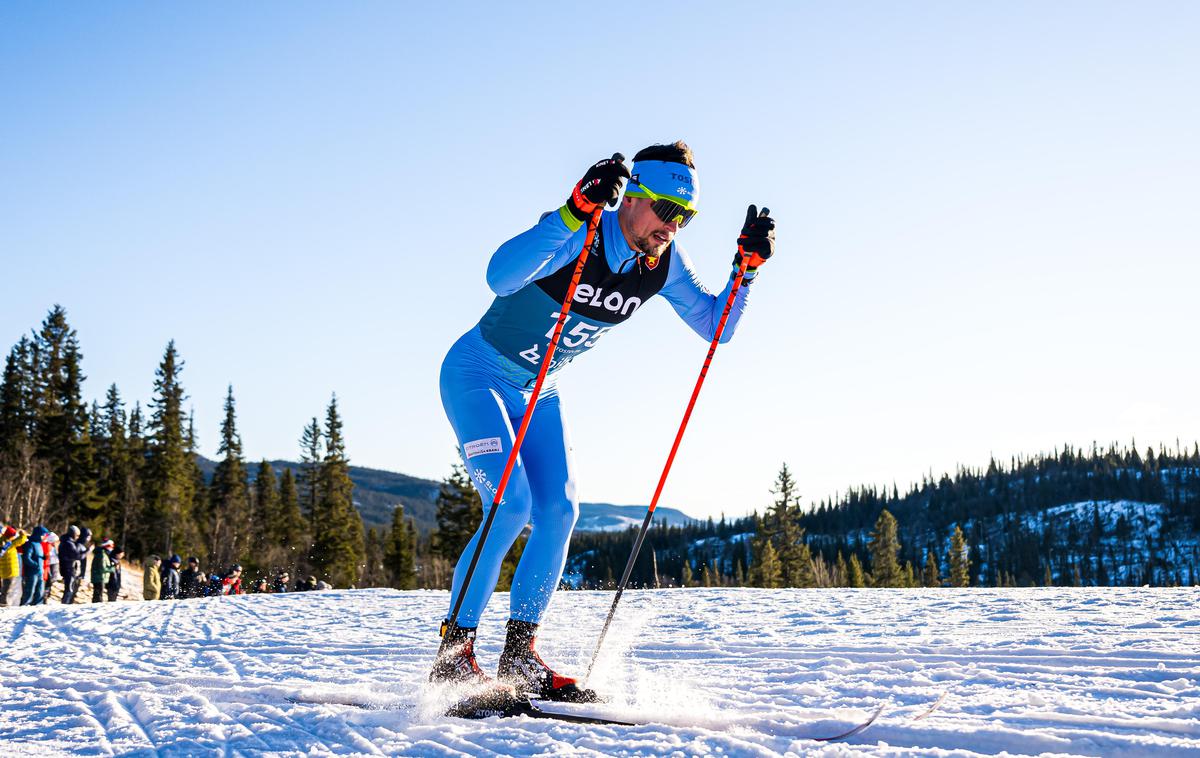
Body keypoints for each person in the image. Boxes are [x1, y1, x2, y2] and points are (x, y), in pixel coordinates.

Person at [429, 142, 775, 704]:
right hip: (478, 374)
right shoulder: (579, 230)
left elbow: (716, 328)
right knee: (510, 504)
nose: (673, 226)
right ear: (633, 195)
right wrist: (572, 209)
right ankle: (454, 656)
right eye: (666, 210)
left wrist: (746, 272)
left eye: (685, 217)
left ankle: (519, 656)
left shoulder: (663, 264)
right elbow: (498, 277)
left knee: (560, 511)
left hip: (540, 389)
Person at [19, 525, 48, 605]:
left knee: (40, 591)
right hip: (32, 573)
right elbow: (26, 558)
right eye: (43, 535)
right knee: (29, 591)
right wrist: (36, 565)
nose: (44, 537)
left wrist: (43, 557)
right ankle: (24, 607)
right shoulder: (30, 544)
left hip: (40, 572)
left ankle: (38, 608)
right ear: (39, 534)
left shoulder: (39, 544)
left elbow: (37, 556)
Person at [0, 525, 27, 606]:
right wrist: (22, 533)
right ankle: (3, 603)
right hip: (10, 570)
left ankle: (3, 602)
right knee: (7, 588)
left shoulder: (3, 541)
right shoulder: (10, 543)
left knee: (6, 587)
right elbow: (22, 539)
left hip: (4, 570)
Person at [59, 525, 85, 604]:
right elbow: (77, 556)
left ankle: (66, 604)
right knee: (69, 589)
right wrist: (88, 551)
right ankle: (65, 605)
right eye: (77, 535)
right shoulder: (68, 543)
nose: (77, 537)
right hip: (68, 568)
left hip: (69, 568)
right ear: (72, 534)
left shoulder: (68, 542)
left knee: (70, 589)